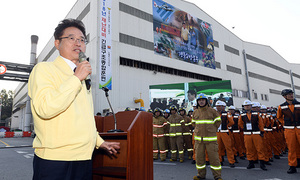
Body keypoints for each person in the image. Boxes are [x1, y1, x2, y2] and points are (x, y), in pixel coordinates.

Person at [28, 19, 120, 179]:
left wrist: (99, 142)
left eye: (82, 40)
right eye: (71, 38)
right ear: (57, 43)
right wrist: (76, 78)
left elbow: (83, 118)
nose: (78, 43)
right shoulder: (44, 69)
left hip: (84, 159)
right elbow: (45, 108)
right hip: (55, 160)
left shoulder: (82, 77)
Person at [192, 93, 222, 180]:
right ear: (197, 102)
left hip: (211, 140)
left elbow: (218, 122)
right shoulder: (195, 112)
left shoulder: (212, 111)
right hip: (199, 141)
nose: (201, 102)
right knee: (199, 159)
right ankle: (201, 175)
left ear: (206, 101)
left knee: (214, 159)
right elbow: (193, 123)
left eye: (203, 100)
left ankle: (217, 176)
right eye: (199, 100)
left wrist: (211, 130)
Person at [238, 100, 268, 171]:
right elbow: (240, 124)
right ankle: (251, 163)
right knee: (248, 149)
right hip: (247, 134)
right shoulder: (242, 115)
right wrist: (245, 128)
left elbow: (260, 123)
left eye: (248, 105)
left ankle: (262, 163)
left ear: (251, 106)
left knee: (260, 148)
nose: (247, 107)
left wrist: (262, 131)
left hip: (256, 133)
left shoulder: (256, 114)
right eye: (245, 106)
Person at [277, 89, 300, 174]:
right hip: (289, 130)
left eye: (291, 94)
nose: (291, 95)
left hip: (299, 128)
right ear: (284, 96)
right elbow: (279, 117)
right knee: (291, 148)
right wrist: (285, 123)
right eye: (289, 94)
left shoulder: (299, 104)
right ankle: (292, 166)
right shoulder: (281, 107)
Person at [215, 101, 235, 167]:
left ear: (222, 107)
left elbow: (231, 122)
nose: (218, 107)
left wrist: (226, 126)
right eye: (217, 106)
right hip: (217, 132)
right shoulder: (214, 114)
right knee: (218, 147)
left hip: (224, 132)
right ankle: (220, 160)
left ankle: (231, 161)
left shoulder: (227, 114)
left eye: (219, 106)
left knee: (228, 147)